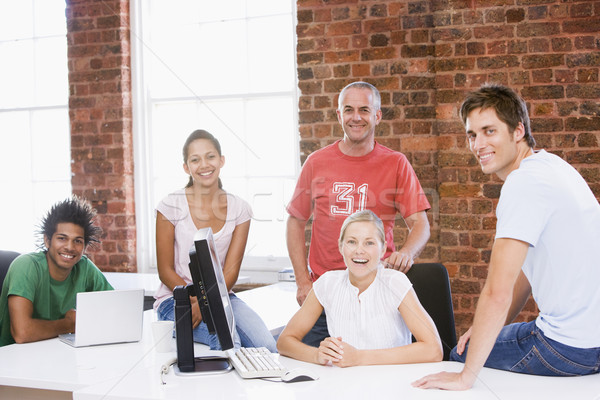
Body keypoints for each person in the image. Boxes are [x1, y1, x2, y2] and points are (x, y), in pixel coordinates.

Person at [413, 83, 600, 390]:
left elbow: (497, 293)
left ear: (517, 131)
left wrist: (466, 375)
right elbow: (525, 275)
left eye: (489, 131)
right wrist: (488, 328)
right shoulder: (553, 167)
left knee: (459, 355)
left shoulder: (523, 184)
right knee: (477, 341)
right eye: (472, 135)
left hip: (566, 349)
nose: (478, 144)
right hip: (594, 345)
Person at [286, 81, 431, 346]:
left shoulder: (396, 163)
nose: (356, 117)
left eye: (364, 110)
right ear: (339, 115)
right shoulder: (316, 162)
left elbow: (420, 223)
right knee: (314, 371)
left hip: (377, 291)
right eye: (349, 109)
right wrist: (302, 282)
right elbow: (295, 222)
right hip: (323, 294)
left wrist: (406, 253)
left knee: (377, 367)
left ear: (377, 115)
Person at [153, 129, 276, 352]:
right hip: (176, 299)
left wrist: (207, 302)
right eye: (195, 159)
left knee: (266, 345)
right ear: (186, 167)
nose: (204, 165)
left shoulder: (240, 209)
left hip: (221, 297)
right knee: (227, 341)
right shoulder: (170, 205)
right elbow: (165, 270)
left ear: (221, 160)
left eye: (210, 156)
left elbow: (230, 271)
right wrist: (198, 301)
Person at [277, 210, 442, 366]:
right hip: (346, 385)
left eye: (369, 243)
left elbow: (434, 350)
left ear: (383, 248)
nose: (359, 250)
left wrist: (359, 357)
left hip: (392, 383)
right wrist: (317, 355)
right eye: (351, 242)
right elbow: (285, 341)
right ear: (341, 247)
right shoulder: (328, 283)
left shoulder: (395, 282)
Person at [0, 196, 113, 347]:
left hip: (59, 354)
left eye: (78, 241)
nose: (70, 247)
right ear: (47, 240)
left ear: (84, 247)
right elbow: (22, 333)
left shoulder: (85, 268)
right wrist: (69, 324)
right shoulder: (26, 266)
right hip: (14, 359)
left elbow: (114, 311)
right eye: (62, 238)